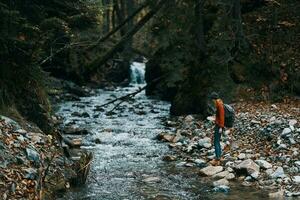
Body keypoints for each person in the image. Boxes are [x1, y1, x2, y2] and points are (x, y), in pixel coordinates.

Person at [209, 92, 225, 166]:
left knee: (216, 141)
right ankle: (219, 156)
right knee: (217, 141)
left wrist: (221, 127)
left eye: (212, 99)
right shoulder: (220, 102)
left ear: (214, 99)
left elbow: (222, 116)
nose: (212, 101)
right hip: (218, 124)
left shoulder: (219, 104)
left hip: (219, 126)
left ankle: (217, 158)